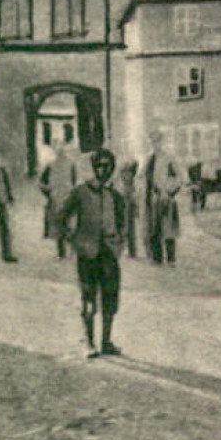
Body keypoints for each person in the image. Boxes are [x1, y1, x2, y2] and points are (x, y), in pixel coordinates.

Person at [57, 148, 127, 358]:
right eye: (100, 166)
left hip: (109, 254)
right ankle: (88, 342)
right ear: (94, 167)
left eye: (108, 166)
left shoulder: (115, 196)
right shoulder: (81, 192)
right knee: (88, 297)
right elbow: (61, 216)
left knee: (110, 298)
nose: (104, 170)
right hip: (87, 254)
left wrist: (119, 243)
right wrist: (73, 239)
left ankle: (106, 342)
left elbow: (123, 223)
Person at [143, 129, 184, 265]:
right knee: (155, 229)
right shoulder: (150, 159)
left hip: (167, 197)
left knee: (169, 229)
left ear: (162, 142)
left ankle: (171, 258)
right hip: (153, 198)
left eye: (157, 141)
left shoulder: (169, 158)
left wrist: (170, 190)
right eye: (153, 142)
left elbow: (180, 177)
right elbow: (142, 175)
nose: (155, 145)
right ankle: (157, 258)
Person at [41, 141, 82, 259]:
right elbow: (74, 181)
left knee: (62, 225)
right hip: (61, 197)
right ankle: (66, 252)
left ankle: (64, 252)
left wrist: (48, 193)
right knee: (64, 225)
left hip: (60, 198)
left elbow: (42, 182)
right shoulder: (55, 165)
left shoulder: (57, 164)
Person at [116, 160, 140, 258]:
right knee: (123, 229)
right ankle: (123, 249)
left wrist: (136, 209)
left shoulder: (133, 185)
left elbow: (135, 198)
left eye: (128, 174)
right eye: (124, 174)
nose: (126, 176)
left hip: (130, 208)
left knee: (130, 230)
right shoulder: (121, 185)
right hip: (123, 209)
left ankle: (132, 251)